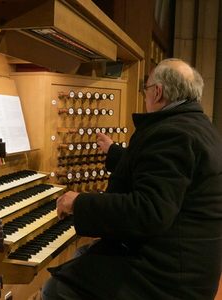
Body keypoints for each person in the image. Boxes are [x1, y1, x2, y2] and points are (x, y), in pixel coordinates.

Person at [41, 58, 222, 300]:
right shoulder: (196, 126)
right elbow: (162, 171)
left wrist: (79, 202)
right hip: (186, 262)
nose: (145, 95)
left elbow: (148, 211)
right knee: (83, 255)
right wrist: (115, 153)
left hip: (170, 278)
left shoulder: (172, 134)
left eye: (146, 89)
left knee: (56, 289)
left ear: (157, 92)